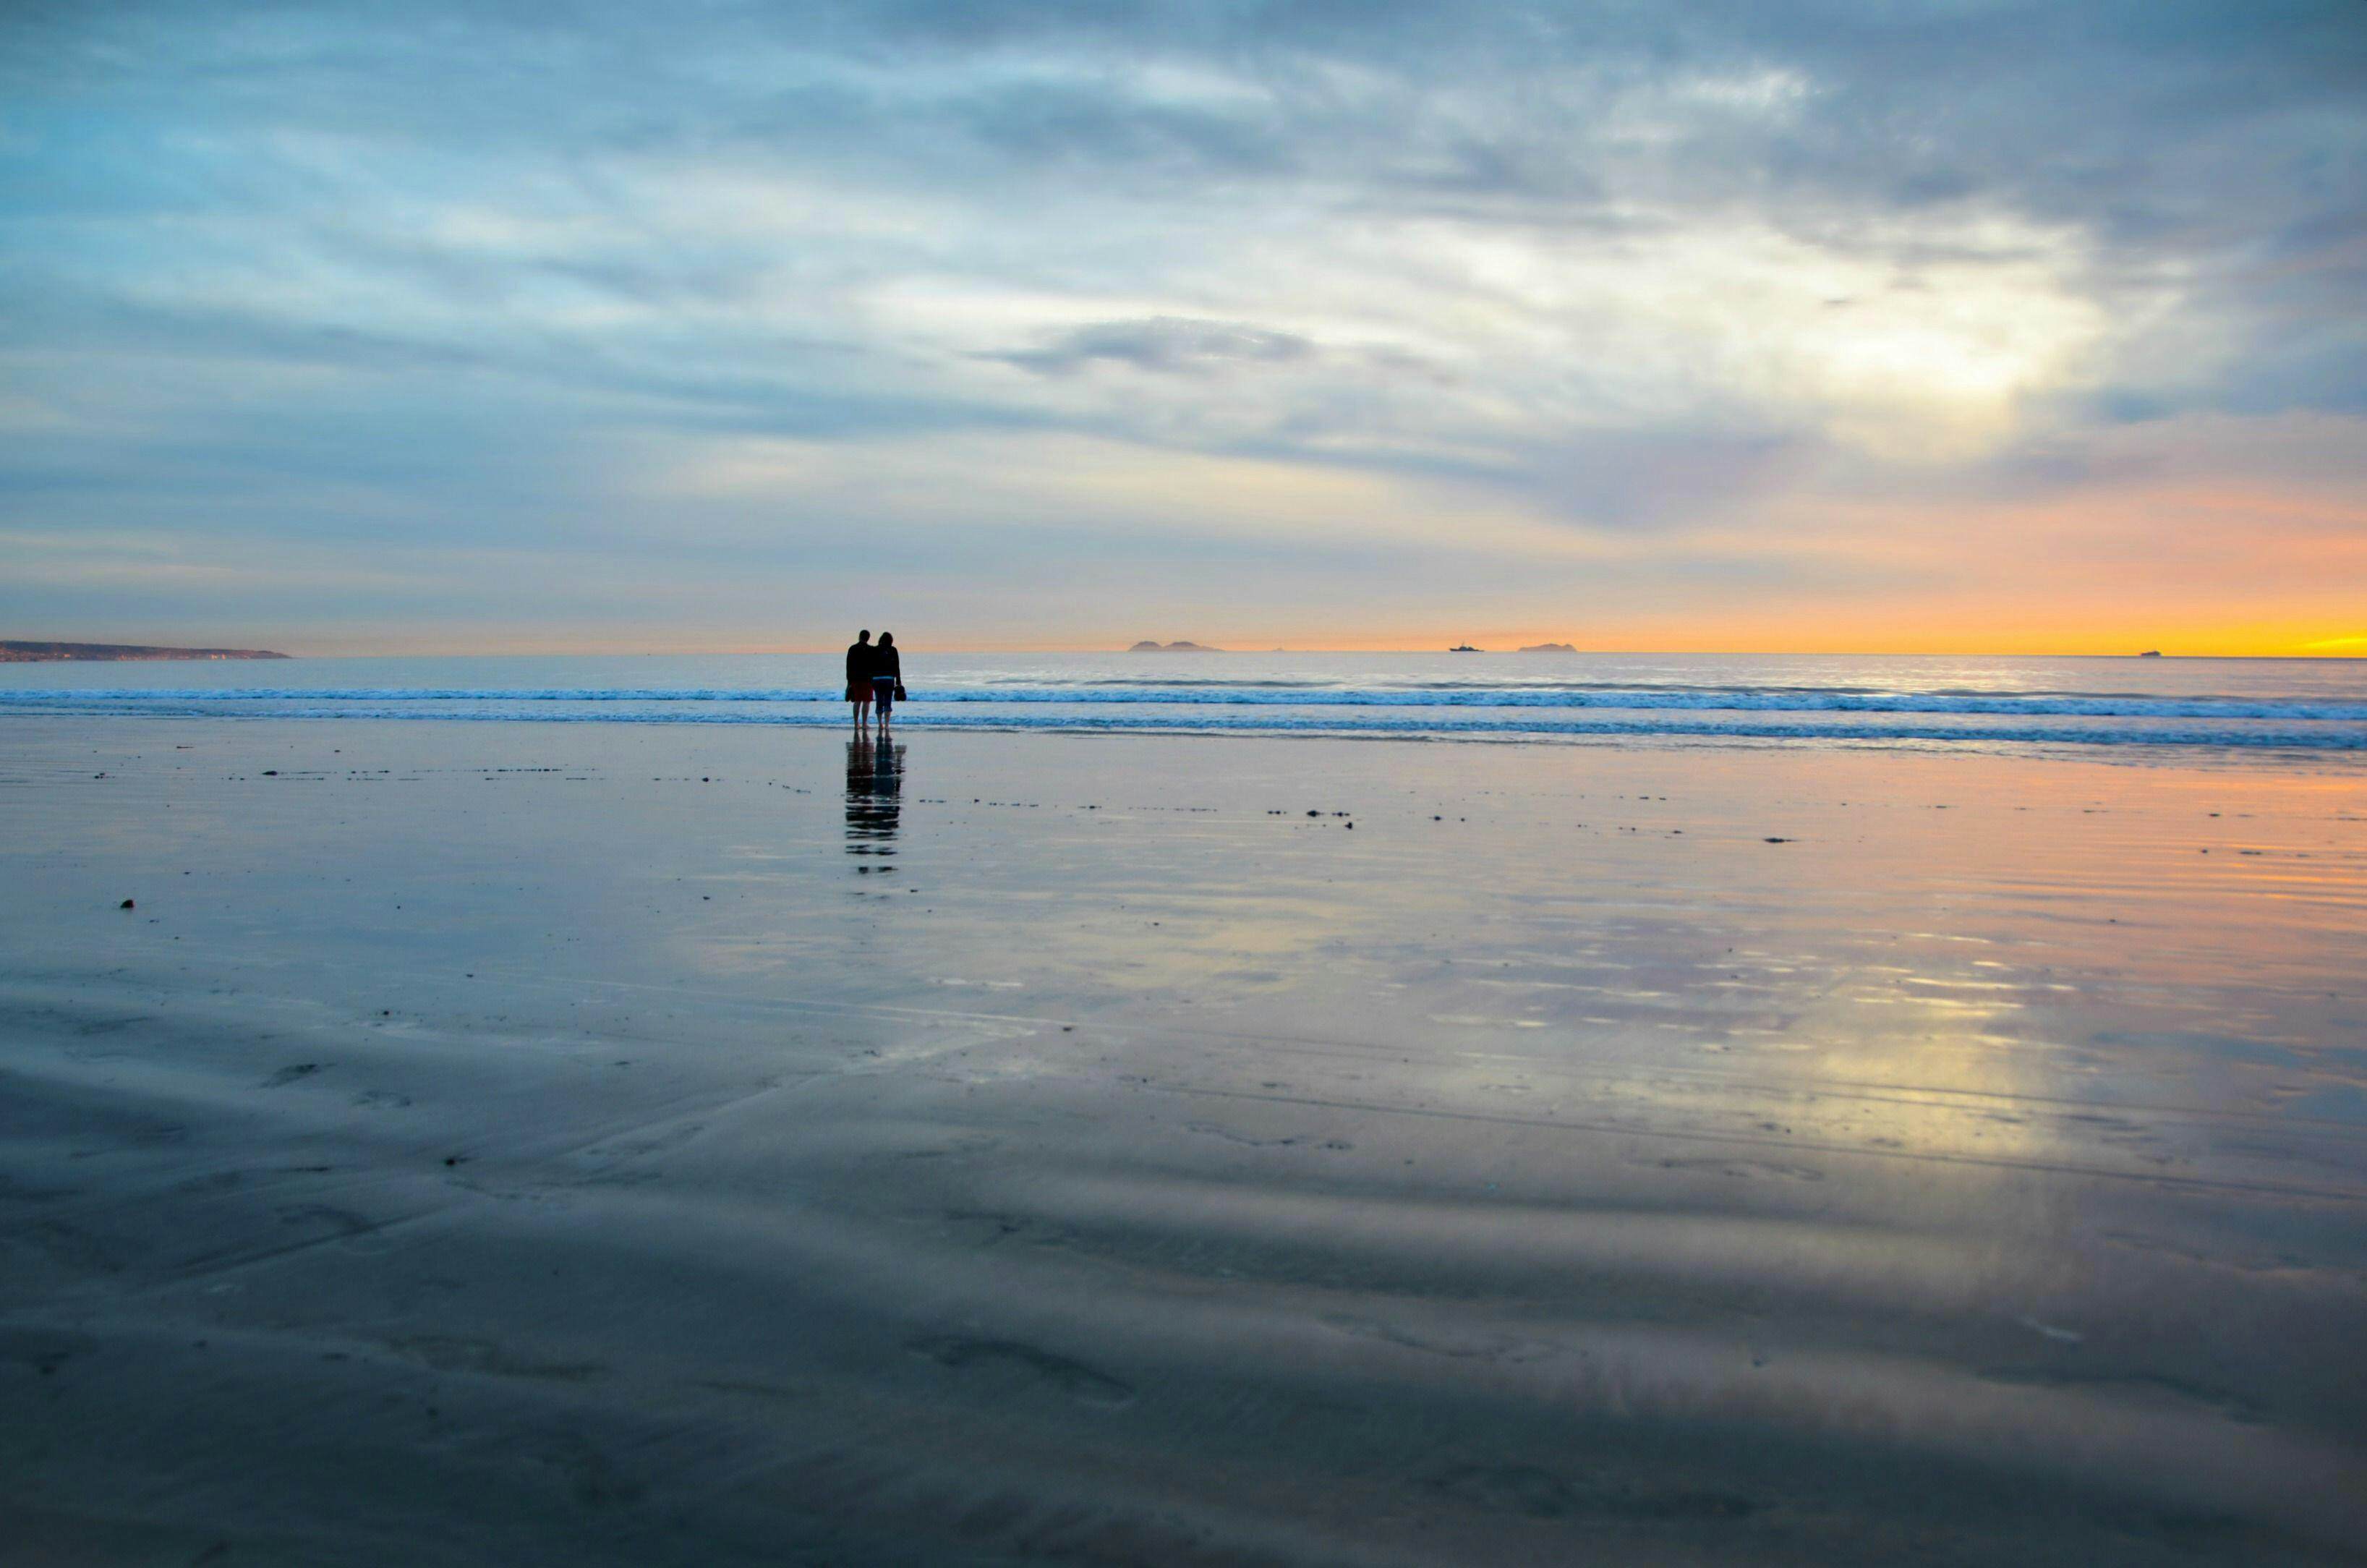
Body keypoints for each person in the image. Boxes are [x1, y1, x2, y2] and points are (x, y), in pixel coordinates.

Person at [870, 631, 902, 730]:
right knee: (888, 701)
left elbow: (870, 666)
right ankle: (887, 725)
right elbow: (897, 666)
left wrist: (870, 679)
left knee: (879, 700)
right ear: (891, 641)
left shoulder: (874, 650)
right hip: (889, 678)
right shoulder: (893, 650)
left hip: (877, 679)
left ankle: (880, 724)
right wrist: (898, 681)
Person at [845, 629, 874, 725]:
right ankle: (865, 723)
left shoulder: (852, 648)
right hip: (868, 679)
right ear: (868, 638)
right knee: (866, 701)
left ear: (859, 637)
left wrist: (849, 681)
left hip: (855, 678)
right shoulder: (871, 649)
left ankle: (856, 723)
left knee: (857, 701)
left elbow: (848, 666)